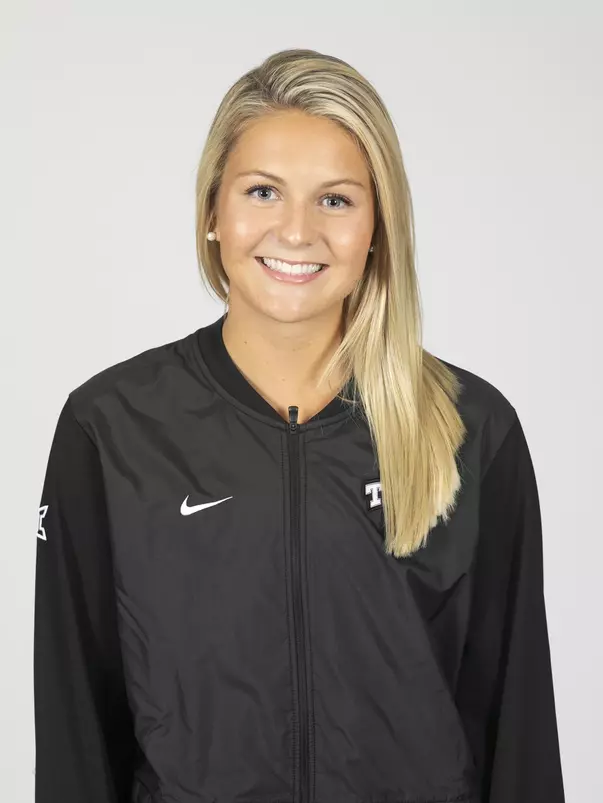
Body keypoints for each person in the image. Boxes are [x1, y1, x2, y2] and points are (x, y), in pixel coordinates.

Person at [33, 48, 565, 803]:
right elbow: (74, 735)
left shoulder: (469, 430)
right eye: (262, 191)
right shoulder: (111, 429)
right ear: (213, 213)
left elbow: (517, 730)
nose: (296, 231)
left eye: (335, 200)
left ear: (377, 227)